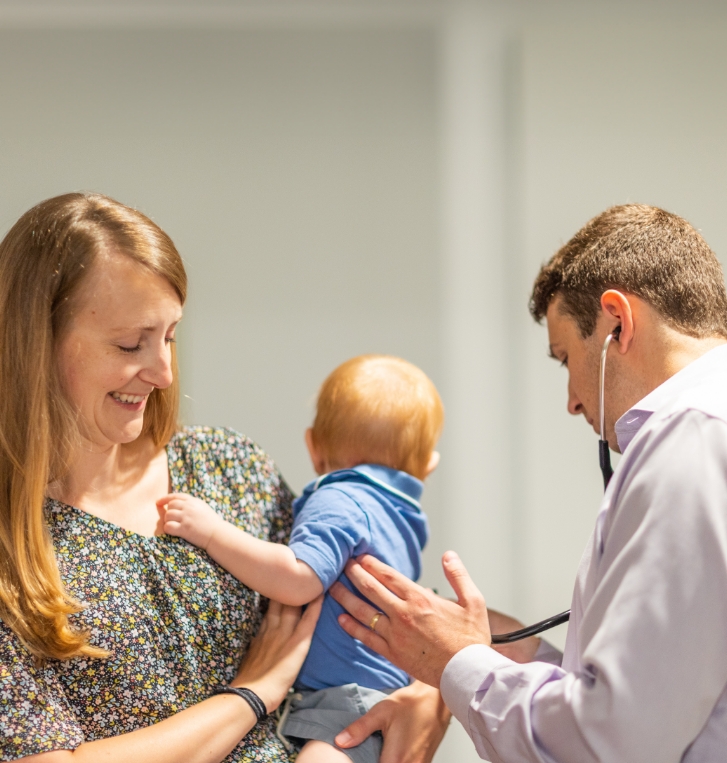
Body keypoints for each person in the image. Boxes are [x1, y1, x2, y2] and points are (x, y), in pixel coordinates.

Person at [0, 193, 449, 763]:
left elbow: (369, 593)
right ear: (34, 344)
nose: (163, 373)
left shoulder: (228, 467)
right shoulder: (11, 545)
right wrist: (250, 696)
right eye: (129, 343)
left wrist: (441, 683)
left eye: (169, 336)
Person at [329, 204, 727, 762]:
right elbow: (667, 696)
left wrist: (456, 663)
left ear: (617, 321)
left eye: (566, 358)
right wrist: (515, 650)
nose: (571, 401)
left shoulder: (693, 441)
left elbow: (610, 743)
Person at [158, 354, 444, 763]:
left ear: (313, 446)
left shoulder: (340, 499)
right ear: (427, 466)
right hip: (375, 694)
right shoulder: (403, 517)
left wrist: (212, 532)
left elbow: (298, 579)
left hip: (348, 704)